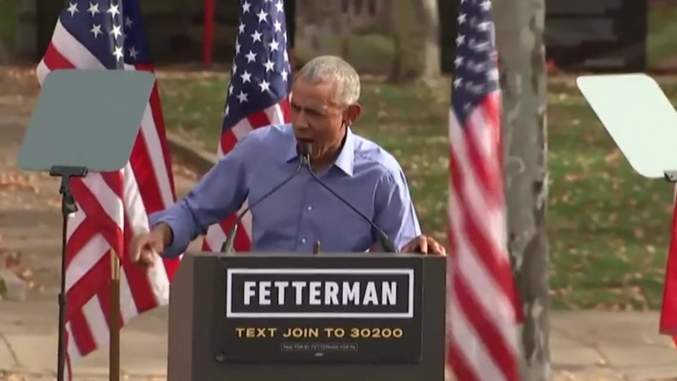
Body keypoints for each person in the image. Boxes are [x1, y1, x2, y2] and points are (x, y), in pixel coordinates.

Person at [130, 56, 446, 266]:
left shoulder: (380, 174)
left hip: (343, 329)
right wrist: (161, 234)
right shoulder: (259, 150)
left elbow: (405, 256)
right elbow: (195, 210)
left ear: (351, 115)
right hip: (260, 316)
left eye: (315, 114)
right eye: (296, 108)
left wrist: (418, 251)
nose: (300, 123)